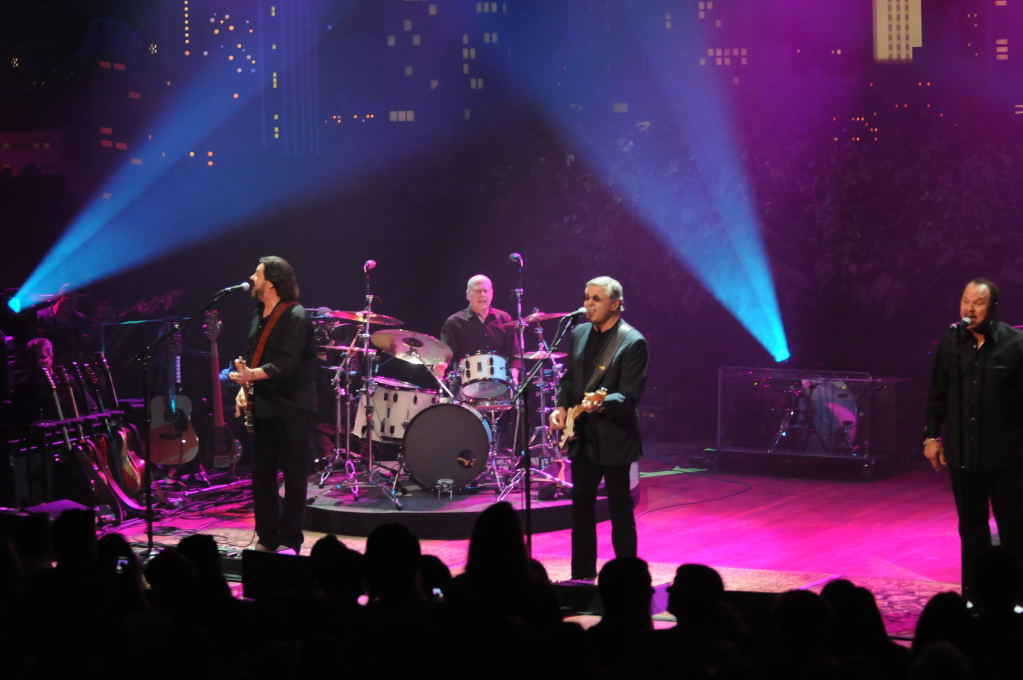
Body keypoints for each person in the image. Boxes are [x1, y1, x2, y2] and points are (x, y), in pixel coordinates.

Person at [924, 277, 1023, 599]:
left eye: (978, 303)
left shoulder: (1015, 344)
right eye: (965, 301)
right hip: (964, 455)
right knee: (971, 530)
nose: (970, 308)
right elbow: (937, 394)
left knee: (1013, 529)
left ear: (993, 307)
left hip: (1006, 457)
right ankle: (974, 598)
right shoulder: (951, 342)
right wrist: (931, 437)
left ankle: (1016, 598)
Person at [549, 276, 648, 581]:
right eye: (586, 297)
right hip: (583, 436)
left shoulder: (632, 341)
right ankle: (581, 577)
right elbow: (569, 380)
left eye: (596, 299)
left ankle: (627, 579)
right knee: (581, 510)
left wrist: (602, 402)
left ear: (616, 304)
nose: (588, 304)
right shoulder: (579, 333)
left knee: (620, 512)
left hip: (615, 437)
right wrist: (561, 407)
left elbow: (629, 396)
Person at [229, 256, 316, 555]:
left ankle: (290, 540)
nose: (251, 278)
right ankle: (267, 537)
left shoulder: (296, 315)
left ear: (272, 280)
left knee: (293, 473)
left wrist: (251, 376)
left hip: (292, 405)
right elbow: (253, 357)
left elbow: (288, 363)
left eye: (257, 273)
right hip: (264, 403)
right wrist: (244, 388)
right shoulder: (258, 313)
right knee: (261, 473)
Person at [438, 274, 520, 384]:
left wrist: (514, 376)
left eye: (486, 291)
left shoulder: (504, 318)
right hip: (465, 384)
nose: (482, 295)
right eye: (477, 291)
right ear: (467, 295)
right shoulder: (454, 322)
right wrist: (441, 365)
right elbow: (446, 355)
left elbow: (514, 353)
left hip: (499, 384)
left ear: (492, 293)